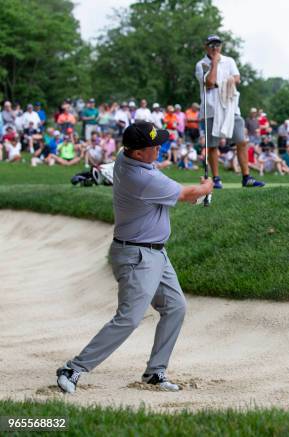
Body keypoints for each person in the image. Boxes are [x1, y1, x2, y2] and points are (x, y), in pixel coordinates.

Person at [55, 121, 213, 394]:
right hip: (138, 256)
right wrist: (206, 188)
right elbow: (187, 193)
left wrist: (198, 196)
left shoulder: (127, 157)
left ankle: (155, 372)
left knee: (175, 307)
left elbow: (178, 194)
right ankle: (74, 368)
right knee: (129, 318)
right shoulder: (141, 178)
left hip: (154, 254)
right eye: (155, 146)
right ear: (138, 153)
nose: (160, 148)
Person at [195, 34, 265, 189]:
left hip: (231, 108)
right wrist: (214, 62)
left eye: (218, 45)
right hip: (211, 109)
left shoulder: (229, 61)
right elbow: (210, 82)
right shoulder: (201, 64)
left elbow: (237, 78)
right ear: (206, 46)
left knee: (241, 141)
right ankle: (216, 179)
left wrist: (233, 79)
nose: (215, 48)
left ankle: (246, 177)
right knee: (212, 146)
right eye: (212, 45)